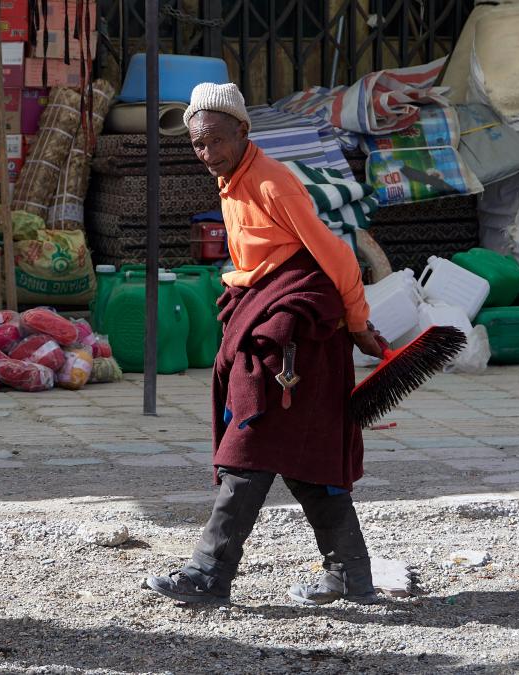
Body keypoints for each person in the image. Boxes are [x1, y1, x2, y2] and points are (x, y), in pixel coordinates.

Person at [145, 82, 387, 606]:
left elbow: (338, 259)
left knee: (248, 448)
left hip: (297, 336)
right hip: (275, 324)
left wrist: (359, 325)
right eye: (196, 144)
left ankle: (208, 575)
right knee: (306, 456)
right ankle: (351, 575)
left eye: (214, 141)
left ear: (242, 131)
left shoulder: (274, 183)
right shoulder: (231, 181)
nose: (206, 153)